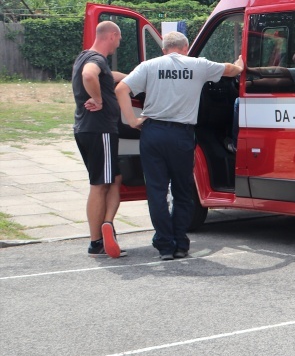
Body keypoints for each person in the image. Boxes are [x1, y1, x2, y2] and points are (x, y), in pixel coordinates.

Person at [116, 32, 244, 260]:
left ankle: (165, 244)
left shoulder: (149, 66)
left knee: (156, 192)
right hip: (181, 135)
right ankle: (181, 243)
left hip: (153, 132)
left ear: (164, 49)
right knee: (182, 190)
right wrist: (240, 63)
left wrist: (132, 120)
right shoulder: (198, 65)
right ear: (186, 48)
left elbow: (121, 89)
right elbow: (230, 70)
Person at [72, 20, 127, 258]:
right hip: (100, 130)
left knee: (114, 179)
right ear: (112, 35)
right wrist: (99, 99)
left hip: (87, 129)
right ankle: (97, 242)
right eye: (119, 39)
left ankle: (107, 225)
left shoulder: (85, 56)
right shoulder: (96, 60)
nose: (119, 44)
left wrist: (132, 77)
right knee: (100, 184)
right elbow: (89, 75)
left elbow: (106, 76)